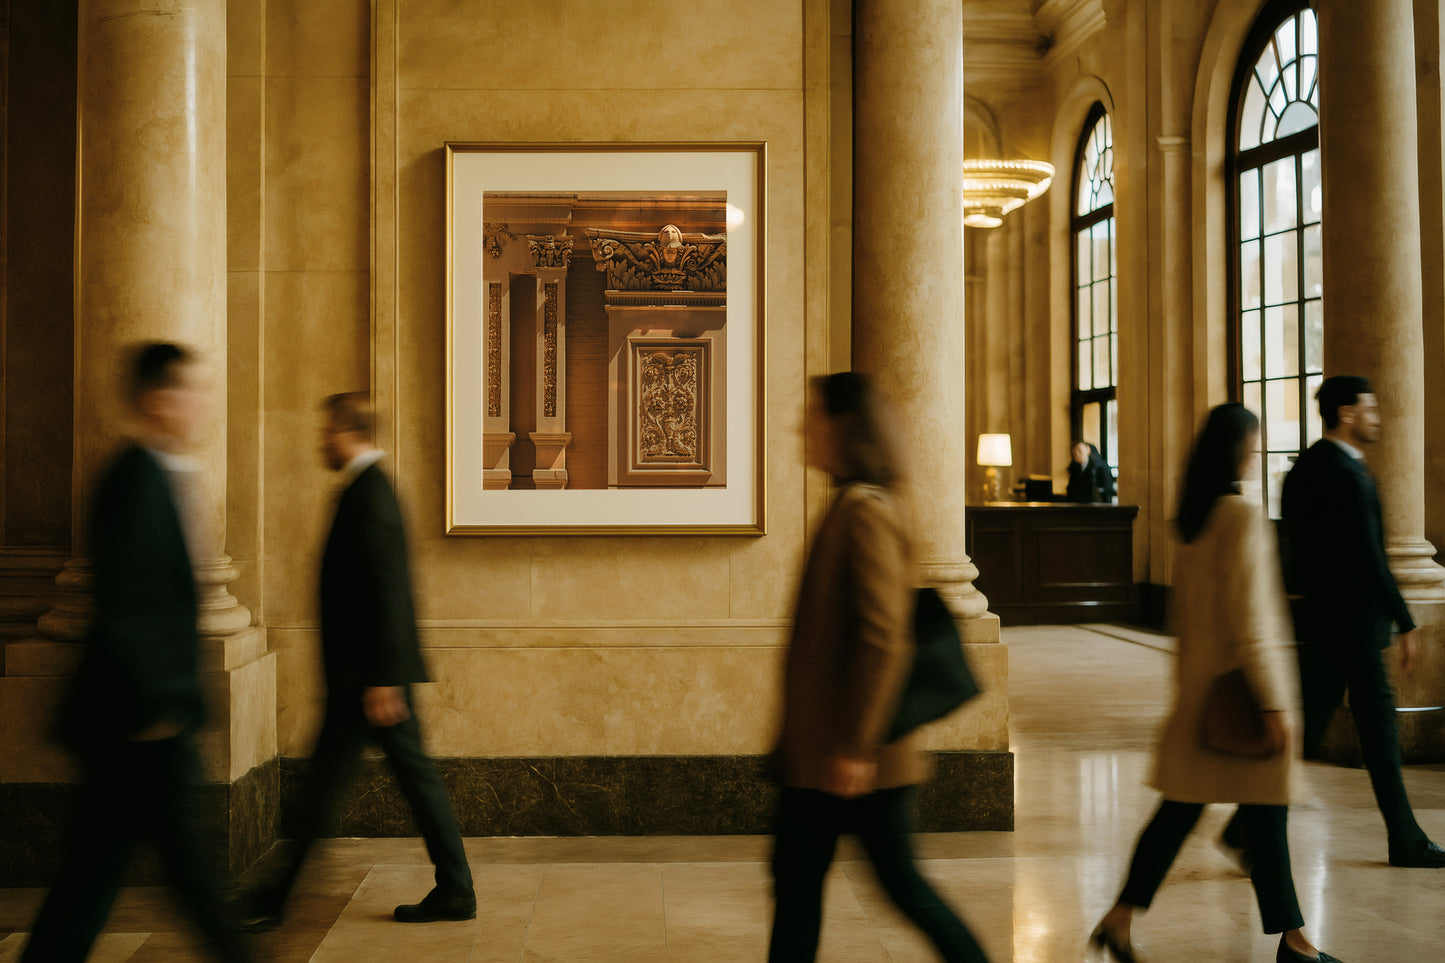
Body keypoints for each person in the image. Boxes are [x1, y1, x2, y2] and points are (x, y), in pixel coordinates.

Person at [23, 343, 250, 963]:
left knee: (92, 875)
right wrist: (155, 708)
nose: (203, 405)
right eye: (193, 391)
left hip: (132, 719)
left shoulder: (157, 476)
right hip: (140, 720)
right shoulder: (132, 482)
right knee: (186, 875)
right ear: (159, 398)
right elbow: (128, 605)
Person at [1091, 403, 1342, 963]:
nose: (1256, 455)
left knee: (1182, 813)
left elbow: (1184, 621)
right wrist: (1277, 703)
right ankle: (1296, 946)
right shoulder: (1241, 516)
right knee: (1264, 816)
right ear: (1237, 451)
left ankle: (1119, 918)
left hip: (1202, 697)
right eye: (1252, 446)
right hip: (1244, 698)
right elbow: (1253, 618)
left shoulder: (1192, 523)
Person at [769, 372, 989, 963]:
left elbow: (880, 638)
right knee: (798, 887)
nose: (800, 428)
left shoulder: (864, 510)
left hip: (851, 757)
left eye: (811, 417)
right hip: (833, 753)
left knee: (896, 888)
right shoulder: (852, 503)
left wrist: (856, 747)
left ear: (843, 428)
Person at [242, 392, 474, 930]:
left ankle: (456, 889)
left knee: (389, 784)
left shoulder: (371, 493)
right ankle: (276, 898)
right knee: (342, 787)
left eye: (328, 431)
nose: (321, 441)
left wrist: (386, 679)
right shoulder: (365, 490)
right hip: (363, 679)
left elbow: (391, 588)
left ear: (350, 432)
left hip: (370, 683)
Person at [1237, 375, 1442, 868]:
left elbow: (1296, 550)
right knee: (1372, 736)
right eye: (1369, 409)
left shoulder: (1305, 467)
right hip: (1356, 627)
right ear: (1347, 414)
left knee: (1324, 731)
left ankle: (1249, 826)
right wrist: (1405, 620)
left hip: (1325, 621)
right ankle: (1404, 840)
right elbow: (1371, 555)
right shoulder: (1349, 474)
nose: (1376, 418)